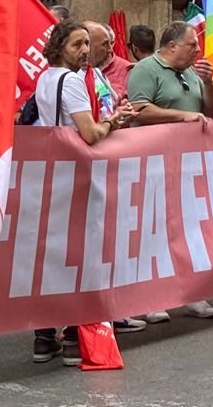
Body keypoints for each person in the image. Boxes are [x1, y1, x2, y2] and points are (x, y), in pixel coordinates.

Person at [30, 22, 142, 350]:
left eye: (85, 44)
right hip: (76, 174)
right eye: (76, 44)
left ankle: (44, 335)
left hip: (54, 172)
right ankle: (75, 337)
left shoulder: (45, 78)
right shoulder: (73, 81)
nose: (84, 51)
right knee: (79, 255)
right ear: (59, 46)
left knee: (53, 253)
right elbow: (90, 133)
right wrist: (112, 121)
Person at [122, 24, 213, 324]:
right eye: (192, 44)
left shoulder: (191, 72)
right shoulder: (145, 69)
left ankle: (191, 293)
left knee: (188, 229)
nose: (197, 50)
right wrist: (182, 116)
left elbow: (210, 110)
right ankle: (153, 297)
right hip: (153, 163)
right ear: (171, 46)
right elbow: (138, 110)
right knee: (153, 229)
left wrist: (209, 83)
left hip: (186, 164)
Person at [83, 19, 131, 101]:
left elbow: (106, 108)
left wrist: (117, 110)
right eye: (105, 44)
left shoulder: (97, 74)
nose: (110, 49)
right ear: (87, 45)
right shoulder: (71, 79)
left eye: (111, 43)